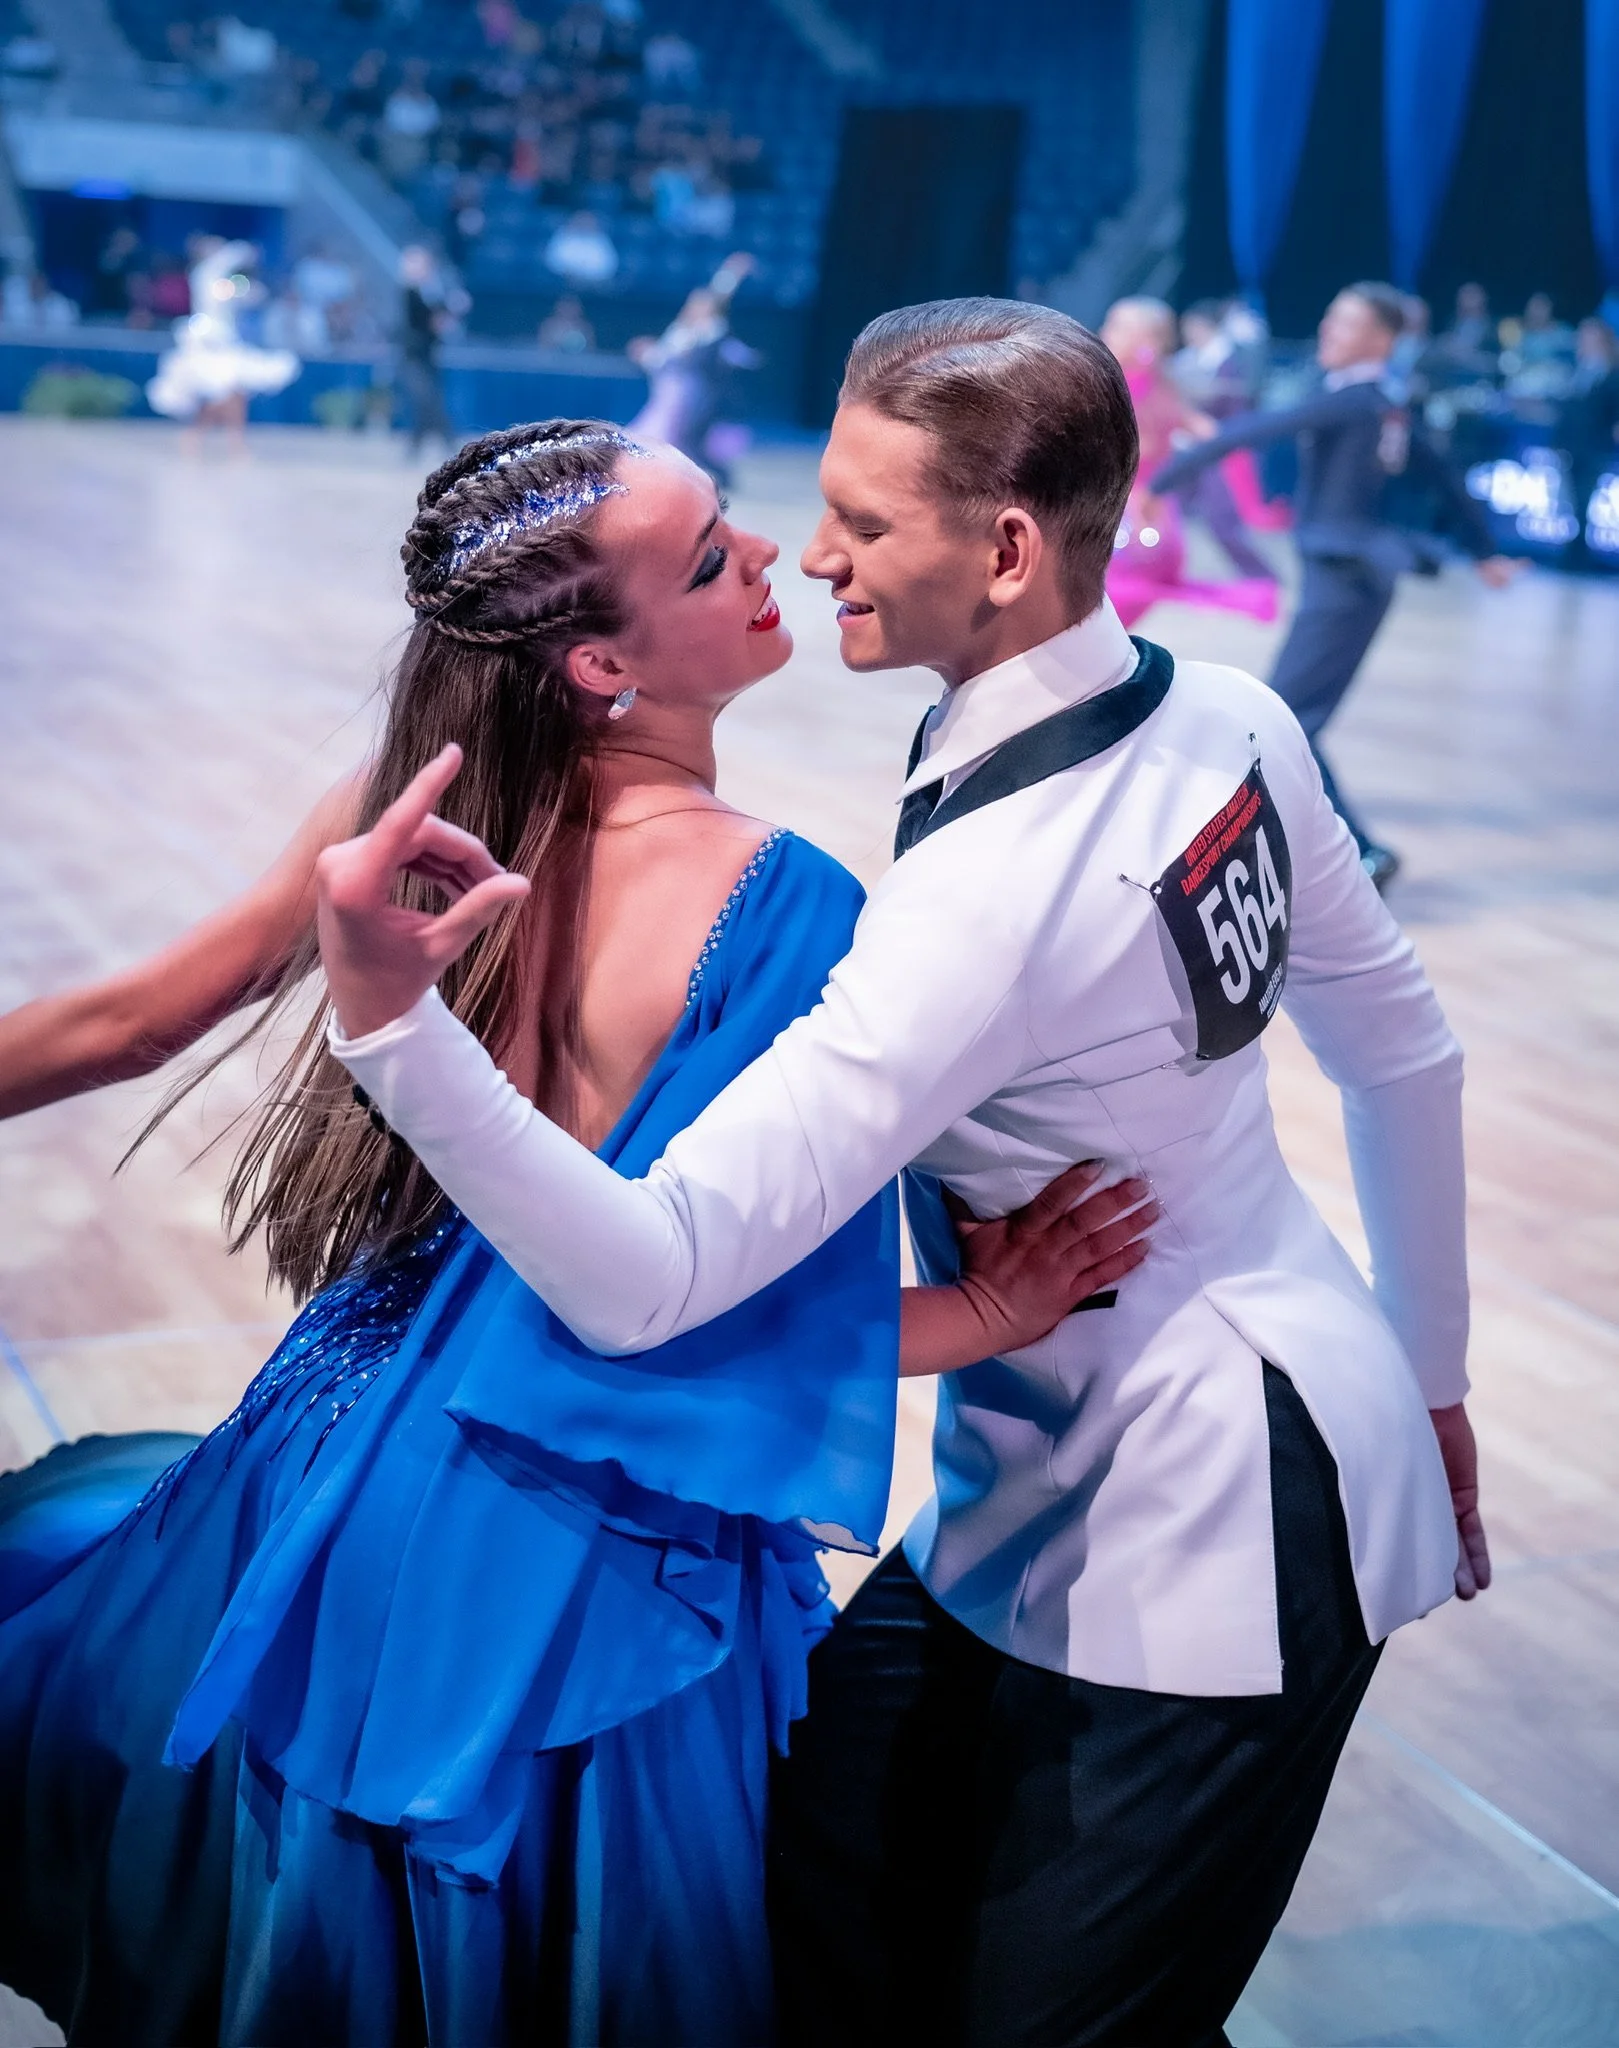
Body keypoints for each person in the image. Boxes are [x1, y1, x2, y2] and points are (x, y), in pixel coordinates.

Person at [315, 298, 1491, 2046]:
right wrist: (1433, 1377)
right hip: (1085, 1478)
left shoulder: (986, 903)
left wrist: (396, 1035)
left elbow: (646, 1275)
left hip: (1201, 1538)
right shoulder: (1226, 714)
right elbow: (1399, 1054)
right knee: (817, 1907)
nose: (812, 550)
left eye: (861, 521)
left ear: (1003, 548)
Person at [0, 417, 1147, 2046]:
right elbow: (697, 1308)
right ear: (602, 664)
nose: (765, 558)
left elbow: (122, 1024)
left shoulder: (401, 813)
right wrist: (995, 1308)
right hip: (568, 1554)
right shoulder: (783, 901)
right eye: (705, 558)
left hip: (321, 1473)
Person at [1154, 280, 1522, 890]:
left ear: (1380, 337)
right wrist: (1486, 553)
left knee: (1283, 719)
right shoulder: (1383, 399)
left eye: (1344, 322)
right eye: (1330, 318)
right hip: (1350, 575)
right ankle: (1340, 853)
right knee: (1288, 719)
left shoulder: (1358, 399)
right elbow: (1442, 474)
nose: (1328, 330)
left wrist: (1159, 483)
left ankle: (1354, 852)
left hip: (1348, 578)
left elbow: (1253, 431)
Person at [1098, 295, 1277, 628]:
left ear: (1147, 341)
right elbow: (1207, 433)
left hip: (1135, 522)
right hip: (1149, 522)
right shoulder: (1155, 386)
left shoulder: (1133, 389)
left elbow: (1153, 447)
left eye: (1120, 327)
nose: (1107, 332)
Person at [146, 237, 299, 444]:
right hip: (211, 345)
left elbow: (242, 295)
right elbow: (230, 259)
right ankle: (208, 436)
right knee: (227, 394)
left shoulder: (219, 280)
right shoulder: (204, 274)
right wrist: (244, 250)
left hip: (226, 344)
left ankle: (222, 438)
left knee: (234, 394)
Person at [629, 251, 759, 487]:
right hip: (673, 390)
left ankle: (703, 475)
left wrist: (731, 273)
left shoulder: (711, 329)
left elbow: (719, 294)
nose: (699, 308)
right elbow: (663, 356)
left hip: (695, 393)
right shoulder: (681, 330)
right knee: (676, 435)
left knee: (688, 436)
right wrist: (646, 353)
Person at [394, 242, 452, 453]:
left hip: (428, 355)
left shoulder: (430, 291)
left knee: (428, 401)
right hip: (413, 356)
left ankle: (416, 446)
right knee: (427, 400)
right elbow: (429, 320)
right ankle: (447, 440)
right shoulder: (410, 293)